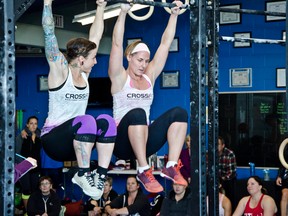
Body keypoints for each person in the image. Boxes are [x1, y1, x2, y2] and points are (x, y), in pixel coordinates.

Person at [108, 1, 188, 193]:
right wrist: (123, 12)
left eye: (146, 61)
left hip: (143, 140)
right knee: (137, 113)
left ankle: (170, 166)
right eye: (139, 60)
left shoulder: (149, 76)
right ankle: (143, 170)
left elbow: (165, 44)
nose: (143, 65)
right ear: (129, 57)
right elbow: (117, 44)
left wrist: (174, 15)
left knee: (179, 113)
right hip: (122, 143)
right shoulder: (119, 77)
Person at [40, 0, 116, 200]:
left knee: (107, 121)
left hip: (77, 140)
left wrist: (100, 7)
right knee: (87, 119)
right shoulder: (59, 71)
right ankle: (82, 174)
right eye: (93, 58)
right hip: (54, 140)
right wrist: (47, 4)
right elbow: (49, 34)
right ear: (82, 60)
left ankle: (99, 174)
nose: (96, 61)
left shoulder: (84, 76)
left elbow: (96, 36)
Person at [15, 116, 42, 212]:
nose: (33, 125)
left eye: (35, 123)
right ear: (27, 124)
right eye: (31, 123)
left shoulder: (40, 136)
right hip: (24, 168)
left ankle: (33, 211)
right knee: (26, 190)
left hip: (35, 168)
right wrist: (24, 164)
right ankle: (28, 212)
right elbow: (15, 153)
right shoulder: (22, 136)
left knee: (35, 190)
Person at [218, 136, 237, 209]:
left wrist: (221, 181)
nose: (216, 146)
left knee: (230, 187)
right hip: (215, 179)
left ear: (223, 145)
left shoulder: (229, 153)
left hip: (227, 179)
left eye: (218, 144)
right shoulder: (210, 153)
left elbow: (231, 173)